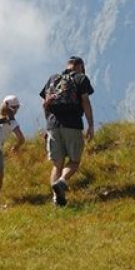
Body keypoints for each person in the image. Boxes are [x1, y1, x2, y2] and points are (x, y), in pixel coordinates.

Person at [40, 56, 94, 207]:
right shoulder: (81, 78)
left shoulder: (53, 78)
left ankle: (56, 199)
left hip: (53, 125)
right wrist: (90, 125)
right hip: (72, 124)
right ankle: (63, 180)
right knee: (75, 161)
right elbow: (85, 101)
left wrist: (47, 126)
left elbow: (45, 104)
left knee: (57, 164)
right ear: (80, 66)